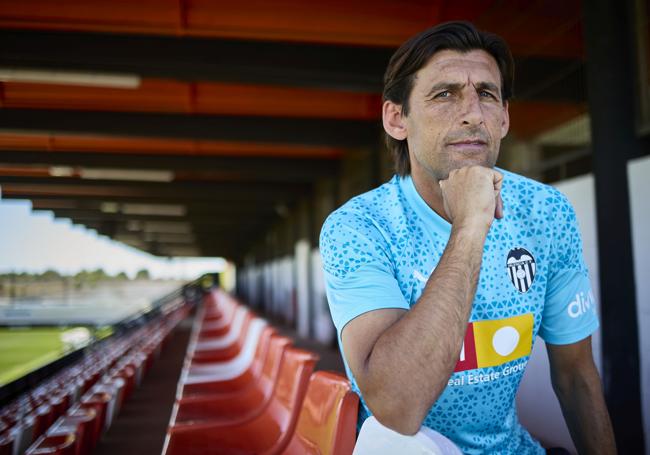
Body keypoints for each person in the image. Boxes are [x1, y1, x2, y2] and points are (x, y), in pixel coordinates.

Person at [319, 21, 616, 454]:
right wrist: (469, 226)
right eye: (445, 94)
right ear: (397, 118)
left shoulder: (546, 212)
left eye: (487, 94)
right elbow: (398, 407)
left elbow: (575, 374)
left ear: (504, 119)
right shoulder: (360, 227)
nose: (473, 113)